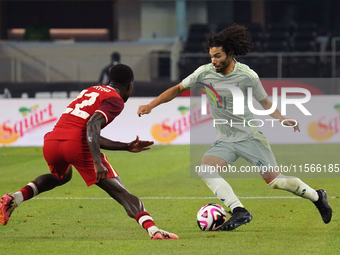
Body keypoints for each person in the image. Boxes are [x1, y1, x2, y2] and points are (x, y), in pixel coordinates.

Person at [137, 24, 332, 231]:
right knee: (206, 170)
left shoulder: (247, 76)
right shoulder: (204, 73)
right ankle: (239, 210)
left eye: (218, 56)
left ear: (230, 54)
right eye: (211, 56)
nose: (213, 61)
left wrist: (282, 118)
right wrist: (151, 105)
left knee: (275, 182)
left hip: (250, 137)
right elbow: (177, 89)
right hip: (225, 139)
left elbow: (264, 102)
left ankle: (317, 196)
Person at [0, 64, 178, 240]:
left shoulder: (90, 90)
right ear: (130, 86)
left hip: (53, 141)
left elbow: (84, 130)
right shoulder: (115, 99)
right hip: (76, 145)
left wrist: (125, 146)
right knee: (121, 192)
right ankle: (154, 230)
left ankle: (15, 198)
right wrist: (97, 162)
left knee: (62, 176)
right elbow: (92, 126)